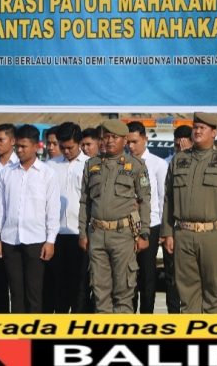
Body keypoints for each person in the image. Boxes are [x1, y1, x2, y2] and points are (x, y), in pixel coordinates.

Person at [162, 112, 217, 313]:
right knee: (187, 295)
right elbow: (169, 199)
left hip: (213, 236)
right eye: (195, 127)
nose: (197, 131)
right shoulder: (179, 160)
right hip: (184, 234)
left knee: (214, 293)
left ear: (214, 133)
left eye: (202, 128)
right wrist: (167, 232)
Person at [79, 119, 151, 313]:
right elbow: (85, 202)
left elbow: (144, 200)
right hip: (97, 234)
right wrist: (83, 233)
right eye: (106, 137)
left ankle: (121, 330)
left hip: (123, 235)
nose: (109, 141)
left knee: (123, 291)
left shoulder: (136, 165)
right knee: (100, 292)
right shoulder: (91, 165)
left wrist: (144, 233)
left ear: (125, 140)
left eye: (115, 137)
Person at [0, 125, 60, 313]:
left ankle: (34, 329)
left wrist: (50, 241)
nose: (19, 150)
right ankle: (18, 330)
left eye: (24, 146)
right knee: (16, 293)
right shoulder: (6, 173)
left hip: (36, 241)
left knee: (34, 293)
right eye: (17, 146)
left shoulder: (47, 174)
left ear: (36, 146)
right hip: (10, 240)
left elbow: (52, 210)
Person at [47, 122, 91, 313]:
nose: (66, 151)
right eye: (62, 147)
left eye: (70, 147)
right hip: (55, 236)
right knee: (58, 286)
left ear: (79, 143)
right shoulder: (50, 166)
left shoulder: (91, 165)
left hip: (81, 235)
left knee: (81, 286)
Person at [126, 120, 168, 314]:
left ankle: (146, 317)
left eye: (134, 142)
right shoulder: (123, 163)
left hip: (150, 225)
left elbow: (163, 198)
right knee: (129, 275)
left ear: (145, 139)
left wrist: (164, 230)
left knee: (147, 275)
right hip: (127, 227)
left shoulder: (158, 164)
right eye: (128, 142)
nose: (131, 146)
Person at [161, 125, 193, 313]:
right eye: (176, 145)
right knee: (172, 278)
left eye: (184, 144)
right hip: (173, 228)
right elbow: (165, 199)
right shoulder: (167, 164)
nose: (180, 148)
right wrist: (166, 231)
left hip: (193, 230)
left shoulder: (199, 163)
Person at [0, 123, 19, 312]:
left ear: (13, 141)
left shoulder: (20, 166)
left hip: (15, 234)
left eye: (1, 140)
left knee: (17, 285)